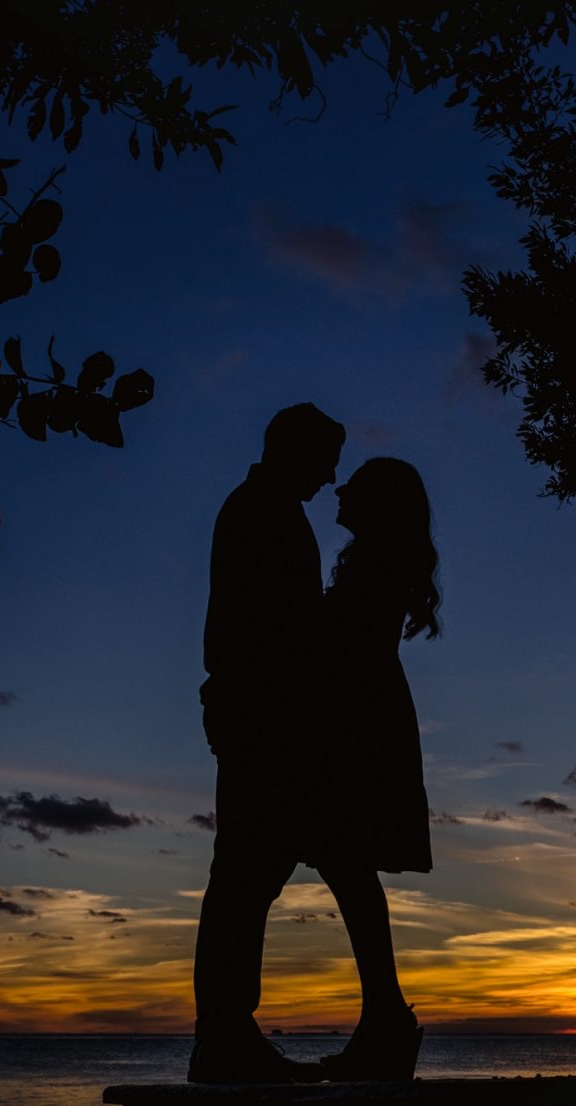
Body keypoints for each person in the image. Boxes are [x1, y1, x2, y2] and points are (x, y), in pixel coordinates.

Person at [189, 402, 345, 1084]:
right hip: (262, 715)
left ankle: (226, 1031)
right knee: (246, 872)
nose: (331, 477)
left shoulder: (268, 509)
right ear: (296, 453)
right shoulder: (259, 511)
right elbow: (262, 626)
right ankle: (222, 1034)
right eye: (324, 462)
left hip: (263, 712)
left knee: (253, 871)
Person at [305, 457, 439, 1082]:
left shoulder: (376, 566)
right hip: (364, 716)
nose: (340, 489)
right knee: (347, 865)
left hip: (359, 721)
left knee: (347, 862)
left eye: (354, 485)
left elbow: (339, 646)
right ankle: (384, 1014)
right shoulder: (375, 562)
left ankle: (385, 1016)